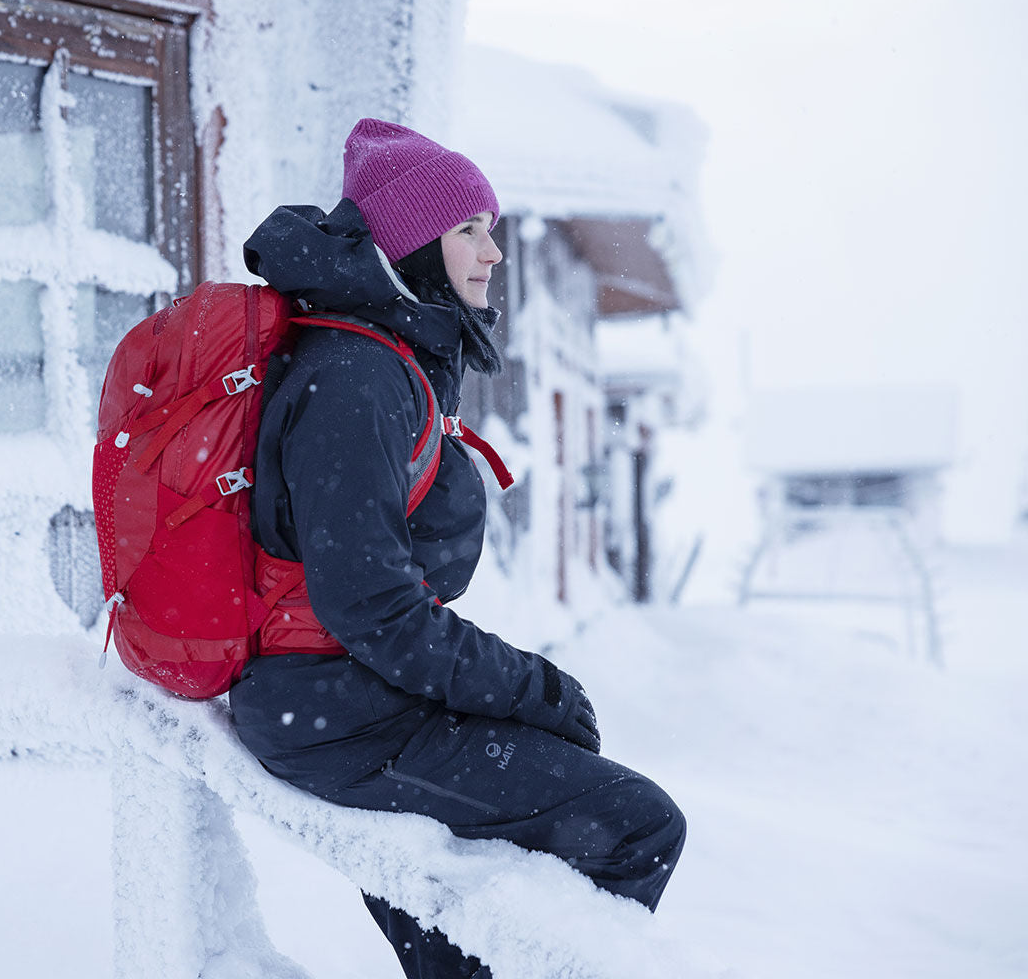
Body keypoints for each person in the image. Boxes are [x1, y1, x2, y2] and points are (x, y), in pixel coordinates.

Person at [230, 118, 686, 979]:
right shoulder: (356, 380)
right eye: (469, 229)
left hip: (347, 697)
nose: (494, 252)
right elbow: (373, 608)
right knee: (636, 822)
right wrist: (536, 688)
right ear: (413, 244)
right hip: (336, 716)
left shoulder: (383, 362)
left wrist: (521, 695)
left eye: (491, 228)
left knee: (454, 930)